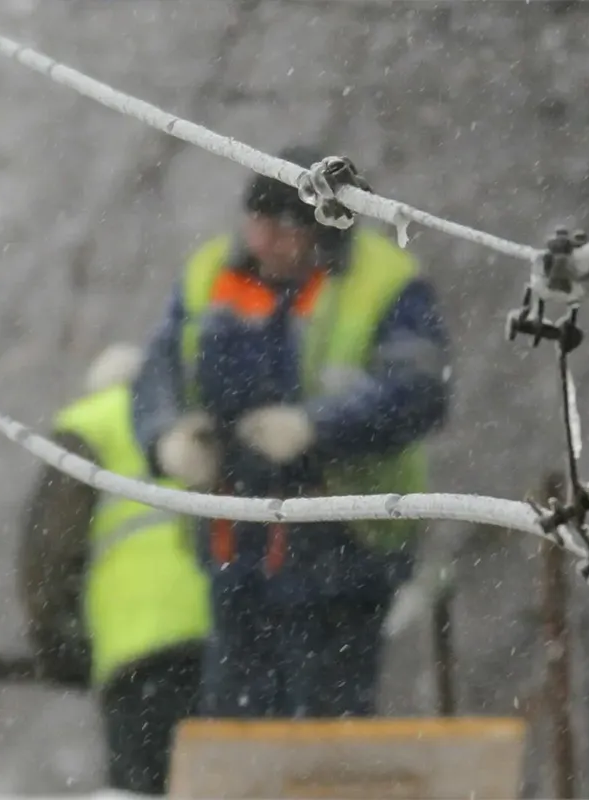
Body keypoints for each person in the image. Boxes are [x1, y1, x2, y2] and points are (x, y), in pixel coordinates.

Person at [130, 144, 453, 719]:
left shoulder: (386, 284)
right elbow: (160, 369)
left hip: (344, 549)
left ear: (322, 232)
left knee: (327, 729)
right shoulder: (211, 274)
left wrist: (316, 428)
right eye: (255, 225)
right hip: (236, 548)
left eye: (280, 231)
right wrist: (168, 437)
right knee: (240, 727)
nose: (262, 244)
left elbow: (420, 393)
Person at [16, 343, 211, 795]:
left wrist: (59, 649)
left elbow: (49, 553)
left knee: (142, 787)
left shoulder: (87, 426)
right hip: (217, 636)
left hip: (135, 648)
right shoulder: (191, 419)